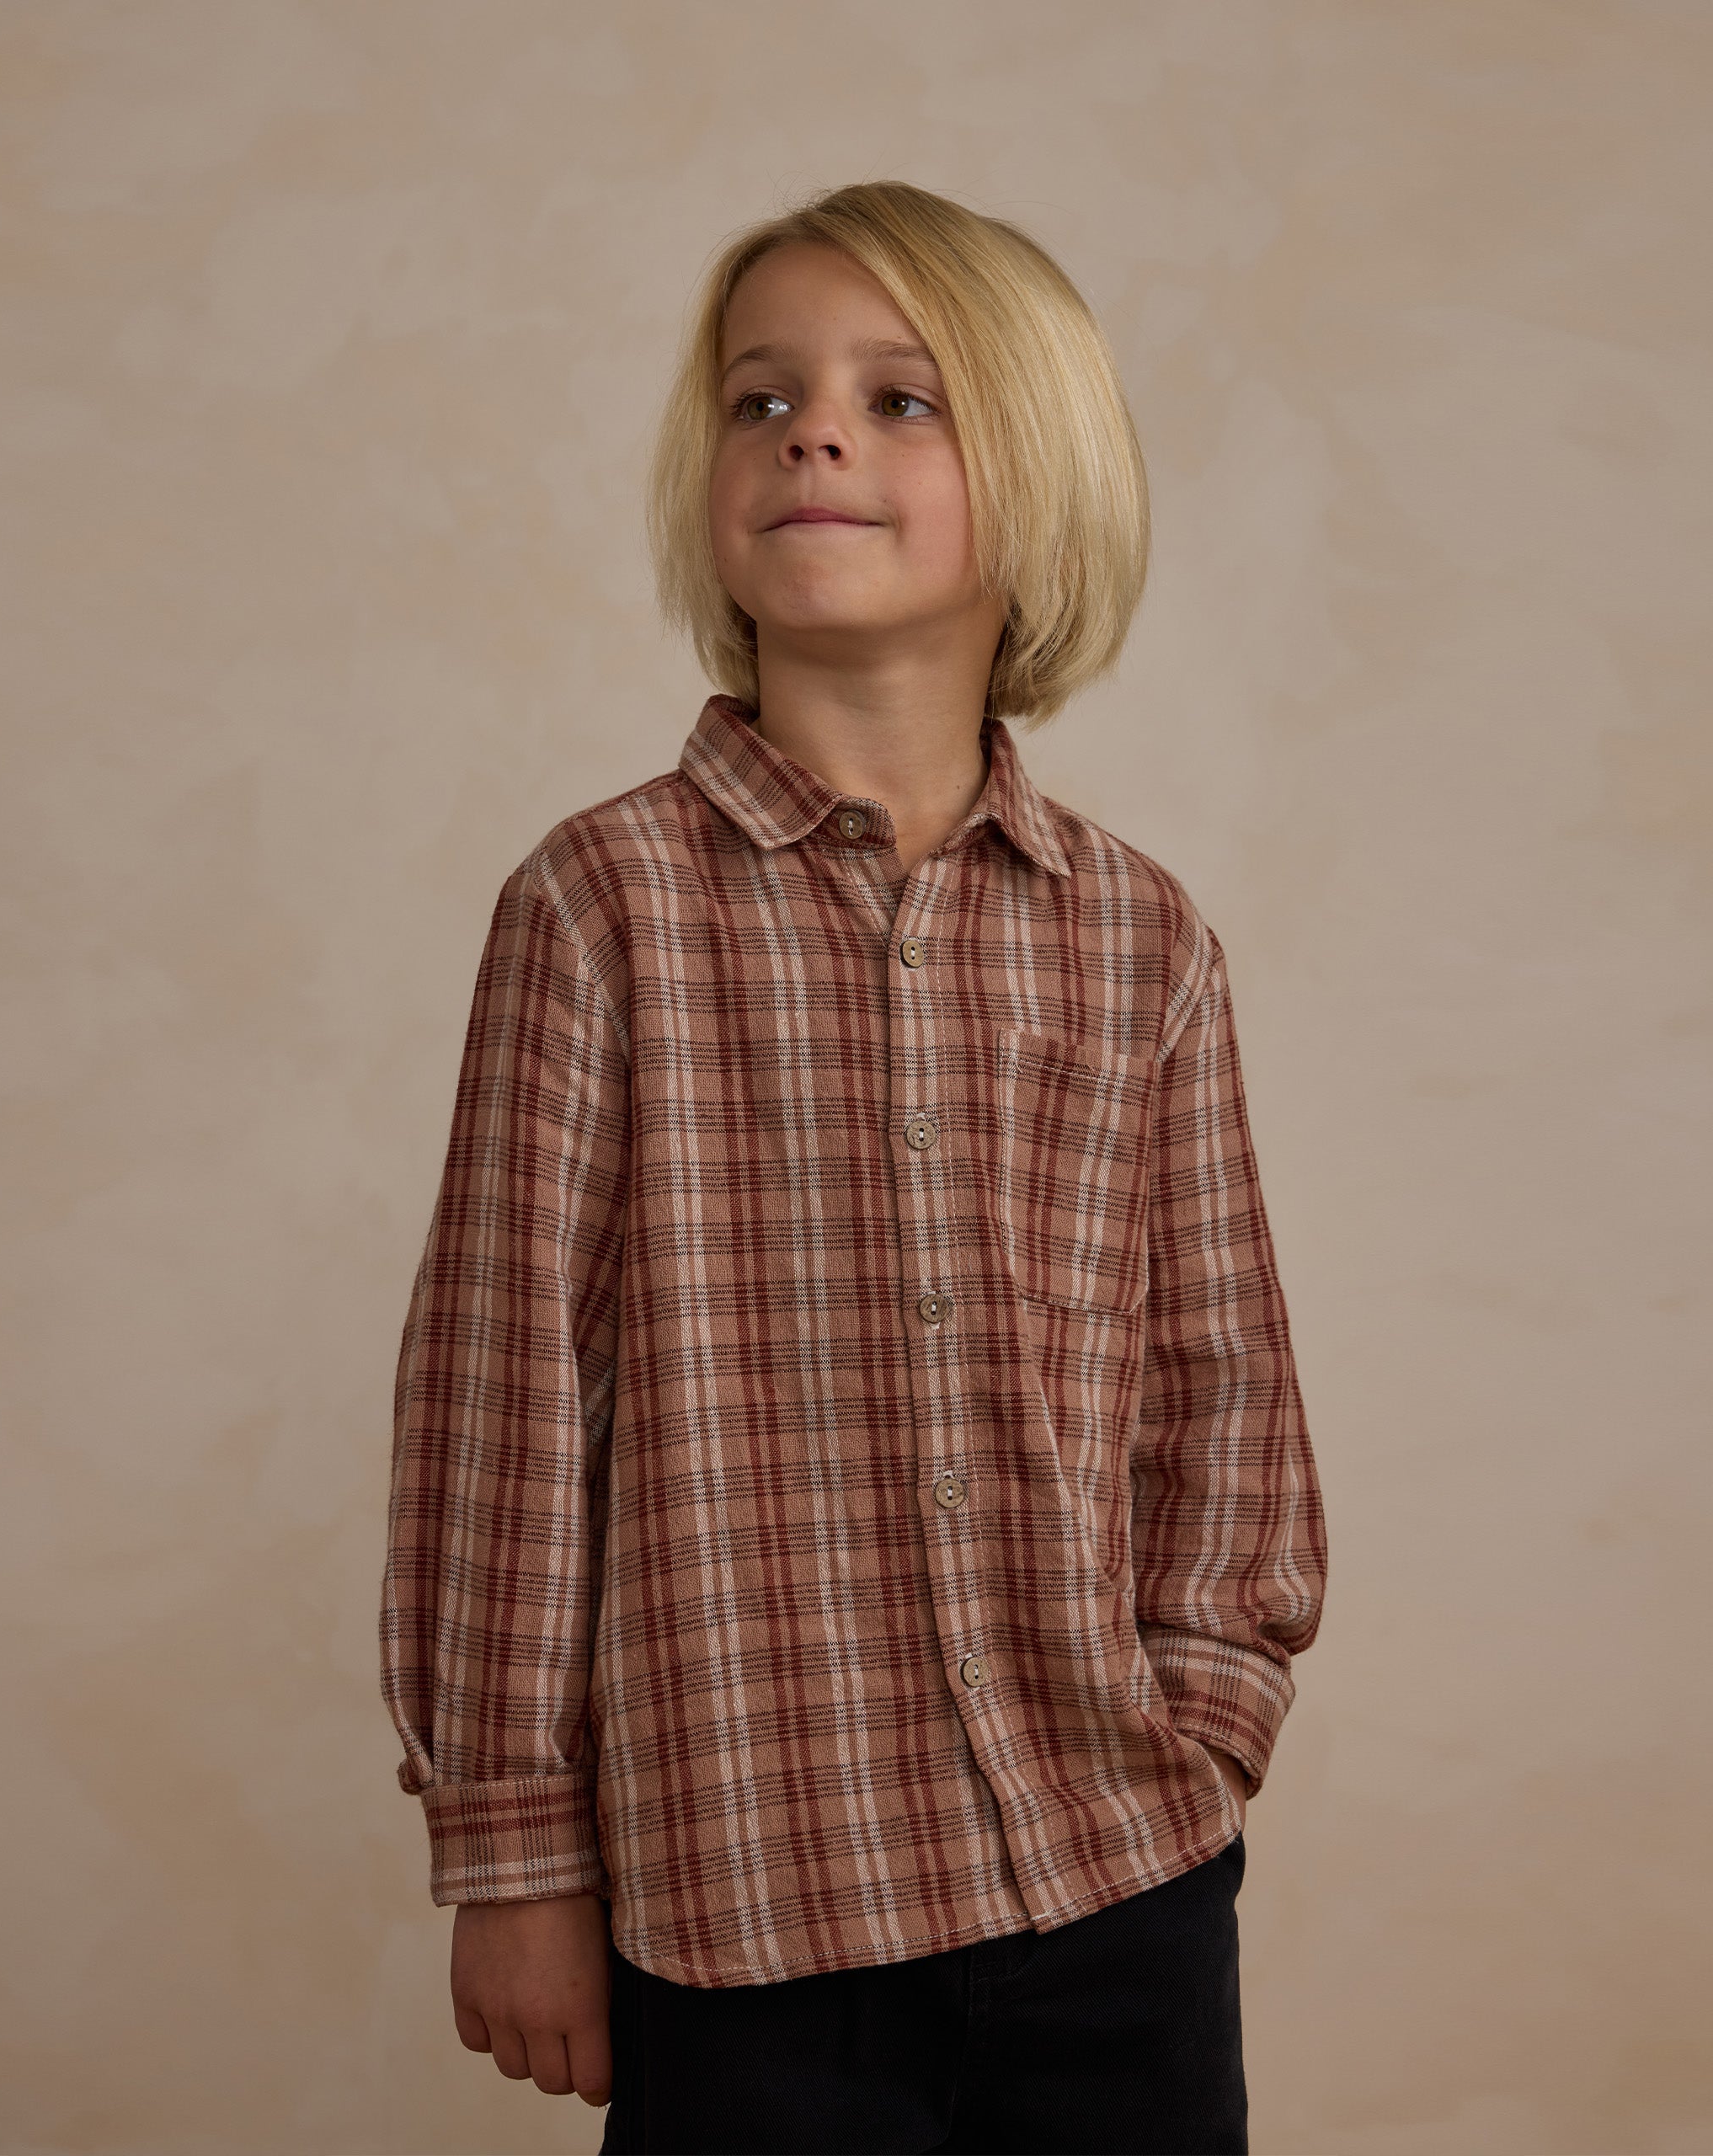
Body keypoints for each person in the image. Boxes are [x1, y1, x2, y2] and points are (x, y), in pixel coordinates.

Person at [378, 179, 1327, 2156]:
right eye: (762, 398)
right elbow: (502, 1397)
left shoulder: (1137, 936)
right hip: (748, 1918)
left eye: (901, 398)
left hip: (1115, 1882)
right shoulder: (601, 907)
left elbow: (1218, 1372)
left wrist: (1209, 1708)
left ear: (1038, 483)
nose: (812, 432)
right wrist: (515, 1848)